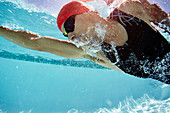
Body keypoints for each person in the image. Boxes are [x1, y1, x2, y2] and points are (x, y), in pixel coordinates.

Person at [0, 0, 169, 84]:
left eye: (69, 25)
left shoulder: (128, 10)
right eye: (66, 35)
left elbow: (165, 20)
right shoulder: (95, 53)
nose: (70, 36)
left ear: (88, 13)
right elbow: (34, 41)